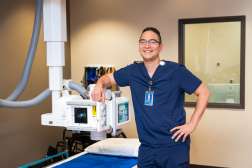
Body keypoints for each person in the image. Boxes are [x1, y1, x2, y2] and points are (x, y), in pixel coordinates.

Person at [91, 27, 209, 168]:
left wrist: (192, 125)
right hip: (147, 148)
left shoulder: (176, 71)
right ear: (139, 46)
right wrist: (99, 84)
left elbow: (204, 92)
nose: (147, 46)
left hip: (173, 147)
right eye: (143, 41)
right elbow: (107, 79)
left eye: (152, 42)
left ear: (160, 47)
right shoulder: (133, 71)